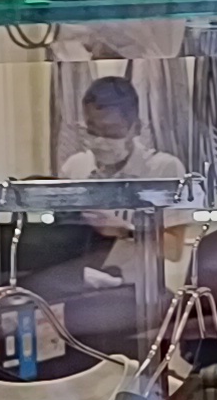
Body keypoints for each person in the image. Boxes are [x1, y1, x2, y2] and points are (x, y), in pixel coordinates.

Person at [56, 76, 189, 262]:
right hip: (81, 277)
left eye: (111, 131)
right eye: (92, 130)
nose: (100, 140)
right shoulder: (75, 167)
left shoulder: (163, 169)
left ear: (136, 128)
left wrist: (125, 230)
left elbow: (173, 250)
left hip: (138, 279)